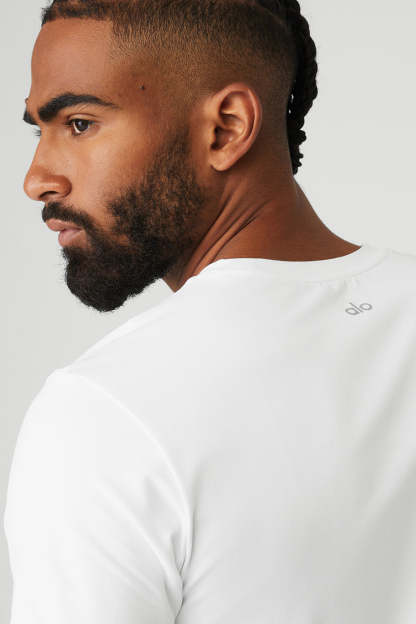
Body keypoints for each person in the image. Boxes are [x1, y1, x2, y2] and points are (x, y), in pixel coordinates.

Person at [3, 0, 416, 622]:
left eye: (80, 124)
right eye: (41, 131)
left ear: (226, 128)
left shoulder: (105, 410)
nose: (37, 179)